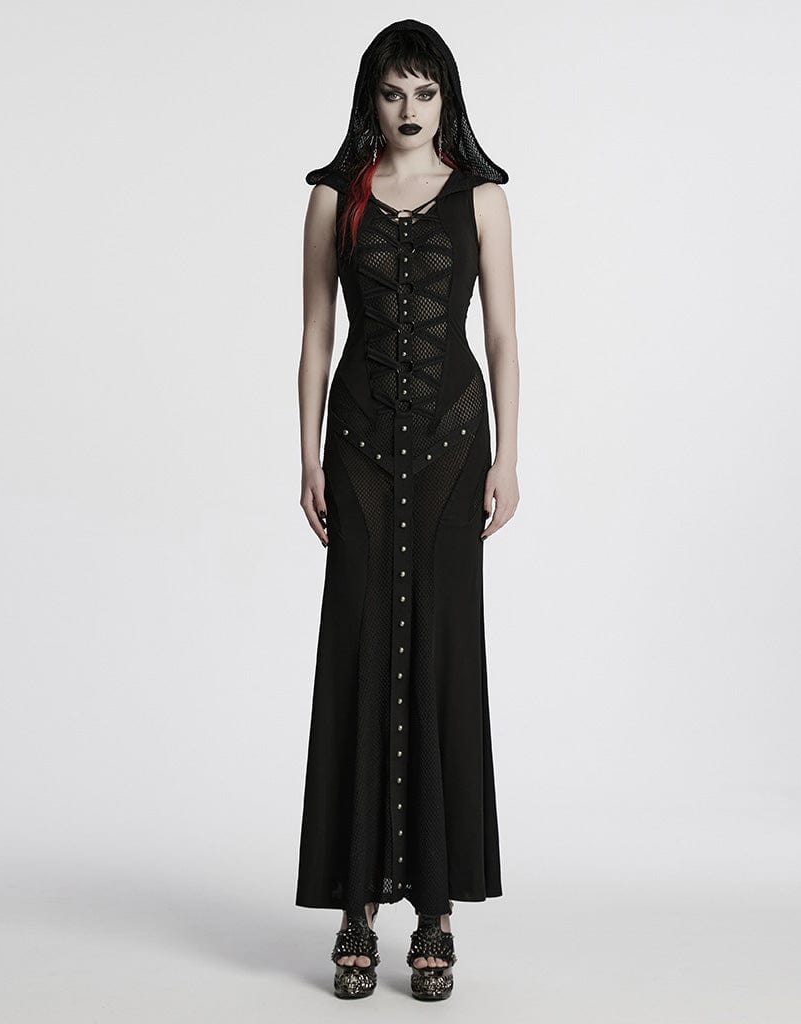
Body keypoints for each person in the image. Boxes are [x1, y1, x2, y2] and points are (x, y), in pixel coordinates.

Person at [295, 18, 520, 1000]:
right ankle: (354, 907)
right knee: (356, 651)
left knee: (441, 652)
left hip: (451, 449)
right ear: (371, 99)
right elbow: (315, 334)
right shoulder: (332, 197)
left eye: (425, 92)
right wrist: (304, 454)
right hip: (354, 449)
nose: (409, 109)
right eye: (393, 91)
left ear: (447, 99)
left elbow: (503, 335)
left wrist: (509, 457)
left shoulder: (483, 196)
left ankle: (435, 912)